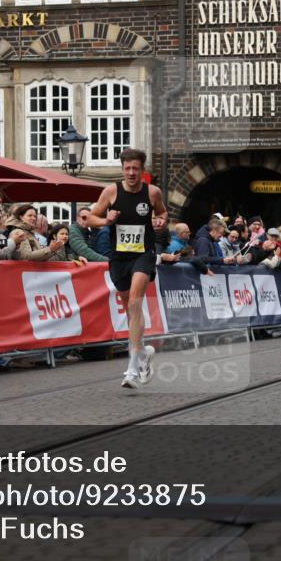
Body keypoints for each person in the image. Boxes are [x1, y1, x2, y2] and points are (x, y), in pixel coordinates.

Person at [84, 148, 168, 389]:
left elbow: (162, 212)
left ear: (142, 170)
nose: (131, 173)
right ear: (122, 169)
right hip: (119, 257)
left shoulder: (152, 192)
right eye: (127, 168)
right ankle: (143, 354)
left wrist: (161, 221)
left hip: (143, 254)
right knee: (131, 310)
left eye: (135, 169)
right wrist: (106, 220)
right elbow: (90, 218)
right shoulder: (111, 191)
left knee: (135, 302)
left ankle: (132, 368)